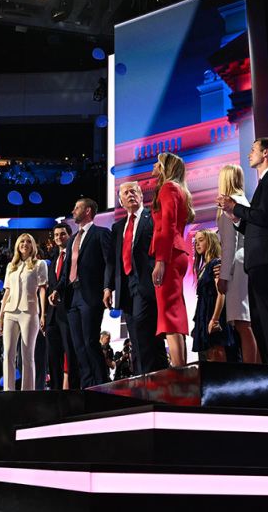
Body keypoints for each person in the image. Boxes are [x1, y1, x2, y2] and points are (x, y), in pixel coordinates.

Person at [217, 138, 268, 365]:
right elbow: (255, 224)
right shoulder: (266, 181)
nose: (250, 154)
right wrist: (235, 217)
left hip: (267, 258)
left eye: (253, 150)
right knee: (260, 320)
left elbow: (267, 218)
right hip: (257, 259)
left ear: (266, 153)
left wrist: (235, 208)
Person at [53, 198, 113, 388]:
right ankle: (87, 386)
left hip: (90, 295)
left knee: (90, 342)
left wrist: (107, 288)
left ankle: (102, 385)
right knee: (78, 346)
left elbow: (109, 263)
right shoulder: (72, 241)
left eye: (77, 207)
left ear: (87, 211)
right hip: (72, 297)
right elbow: (65, 272)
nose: (73, 210)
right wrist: (56, 290)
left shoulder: (101, 234)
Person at [111, 180, 168, 376]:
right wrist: (108, 287)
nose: (130, 195)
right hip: (126, 287)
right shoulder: (118, 227)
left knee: (146, 334)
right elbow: (114, 260)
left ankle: (151, 380)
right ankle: (145, 378)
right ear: (120, 200)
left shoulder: (152, 216)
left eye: (133, 191)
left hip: (147, 284)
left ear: (142, 195)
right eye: (125, 193)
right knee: (135, 336)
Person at [149, 153, 192, 367]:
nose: (153, 167)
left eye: (157, 163)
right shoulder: (179, 189)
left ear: (166, 167)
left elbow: (167, 226)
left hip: (170, 255)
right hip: (177, 253)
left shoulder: (168, 188)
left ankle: (178, 369)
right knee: (174, 309)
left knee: (169, 313)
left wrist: (161, 260)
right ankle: (180, 366)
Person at [214, 164, 258, 364]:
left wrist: (223, 277)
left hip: (237, 267)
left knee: (242, 322)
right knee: (246, 321)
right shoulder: (243, 200)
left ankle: (250, 369)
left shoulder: (229, 205)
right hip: (245, 261)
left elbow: (228, 246)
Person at [0, 232, 49, 390]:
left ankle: (27, 391)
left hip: (29, 311)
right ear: (17, 245)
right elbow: (7, 292)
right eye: (22, 241)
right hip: (10, 312)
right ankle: (8, 390)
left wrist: (42, 313)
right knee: (8, 353)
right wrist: (0, 316)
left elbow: (42, 290)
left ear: (32, 245)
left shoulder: (39, 264)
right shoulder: (11, 266)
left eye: (28, 241)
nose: (24, 244)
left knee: (27, 354)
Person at [44, 223, 76, 389]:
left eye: (62, 234)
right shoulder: (54, 259)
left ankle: (73, 390)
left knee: (70, 353)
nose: (58, 238)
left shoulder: (74, 255)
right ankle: (55, 392)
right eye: (56, 235)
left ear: (69, 235)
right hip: (52, 316)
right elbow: (50, 286)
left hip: (69, 310)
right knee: (53, 357)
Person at [191, 229, 230, 362]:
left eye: (201, 240)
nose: (197, 244)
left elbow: (221, 292)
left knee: (217, 350)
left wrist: (215, 319)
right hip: (204, 312)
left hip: (213, 312)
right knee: (209, 354)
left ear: (211, 241)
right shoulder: (203, 267)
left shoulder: (215, 263)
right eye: (195, 241)